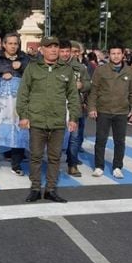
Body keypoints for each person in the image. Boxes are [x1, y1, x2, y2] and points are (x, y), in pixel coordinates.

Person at [17, 36, 80, 203]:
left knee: (55, 157)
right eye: (49, 47)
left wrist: (73, 118)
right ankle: (35, 188)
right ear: (42, 50)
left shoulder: (66, 70)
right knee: (36, 156)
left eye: (55, 47)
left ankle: (51, 189)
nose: (53, 50)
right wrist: (23, 115)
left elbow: (73, 96)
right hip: (37, 120)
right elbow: (23, 94)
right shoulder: (32, 68)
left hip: (58, 121)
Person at [87, 43, 132, 179]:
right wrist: (92, 107)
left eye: (118, 53)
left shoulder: (130, 72)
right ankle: (99, 166)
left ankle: (117, 167)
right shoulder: (101, 70)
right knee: (101, 140)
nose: (115, 56)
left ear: (123, 55)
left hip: (121, 112)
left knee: (120, 141)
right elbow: (94, 91)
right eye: (113, 53)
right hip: (103, 110)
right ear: (109, 55)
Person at [0, 32, 29, 176]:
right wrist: (0, 76)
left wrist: (21, 66)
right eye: (10, 43)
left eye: (16, 43)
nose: (13, 46)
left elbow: (33, 75)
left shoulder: (25, 59)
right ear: (4, 45)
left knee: (18, 132)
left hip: (18, 103)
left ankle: (16, 164)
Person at [60, 40, 91, 177]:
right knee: (54, 137)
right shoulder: (52, 65)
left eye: (68, 51)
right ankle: (52, 164)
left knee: (74, 137)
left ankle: (72, 164)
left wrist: (82, 86)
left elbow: (89, 84)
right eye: (63, 51)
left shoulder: (80, 67)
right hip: (56, 106)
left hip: (74, 106)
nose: (66, 54)